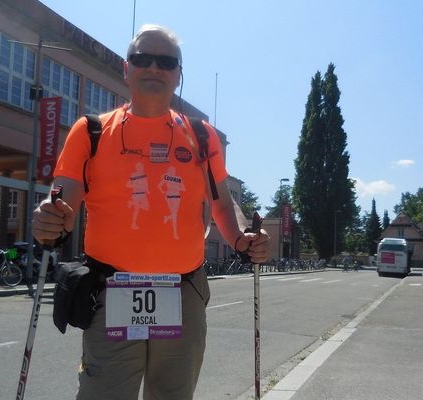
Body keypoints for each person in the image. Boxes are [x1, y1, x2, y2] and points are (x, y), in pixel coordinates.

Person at [32, 24, 270, 399]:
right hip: (111, 290)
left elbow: (223, 202)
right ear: (127, 69)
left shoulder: (202, 135)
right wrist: (48, 219)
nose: (154, 67)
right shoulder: (91, 132)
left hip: (183, 289)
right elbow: (62, 203)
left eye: (166, 61)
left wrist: (243, 238)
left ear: (178, 74)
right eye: (142, 58)